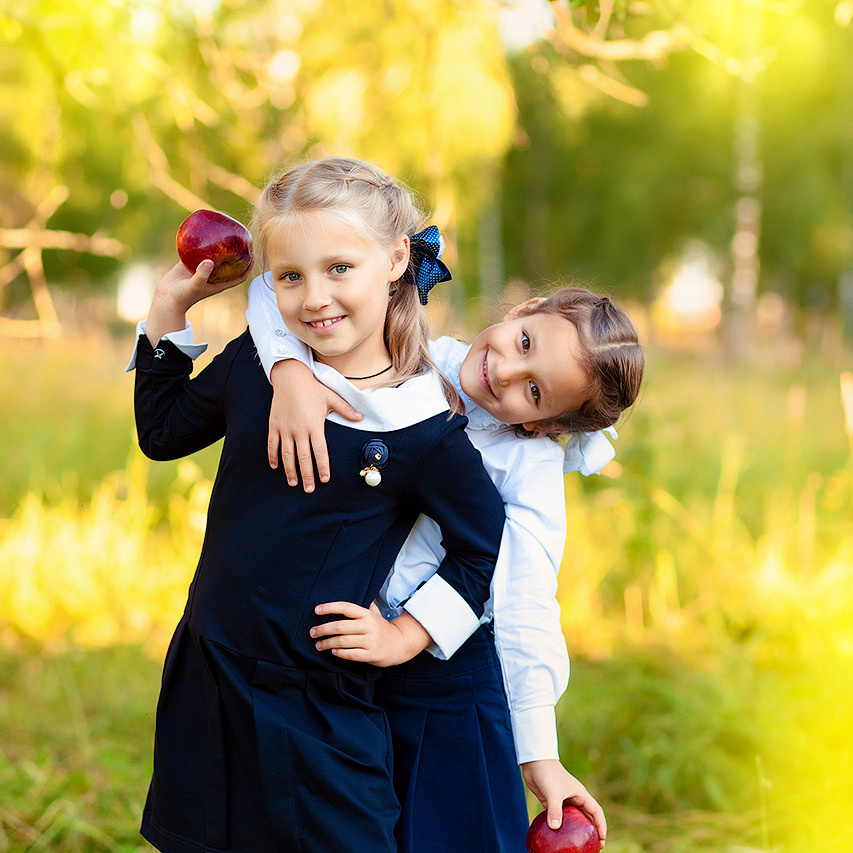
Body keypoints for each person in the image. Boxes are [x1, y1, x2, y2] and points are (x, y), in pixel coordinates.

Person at [127, 156, 511, 852]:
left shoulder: (420, 426)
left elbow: (483, 540)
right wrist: (168, 311)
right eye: (291, 276)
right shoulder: (260, 365)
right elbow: (163, 432)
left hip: (316, 702)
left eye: (340, 268)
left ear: (396, 259)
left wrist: (408, 632)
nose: (314, 298)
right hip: (210, 668)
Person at [245, 274, 644, 850]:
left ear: (546, 425)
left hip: (444, 681)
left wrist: (538, 755)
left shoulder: (524, 464)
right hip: (341, 655)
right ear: (525, 310)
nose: (505, 372)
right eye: (525, 343)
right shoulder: (406, 351)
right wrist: (290, 371)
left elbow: (525, 599)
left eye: (534, 393)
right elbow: (271, 282)